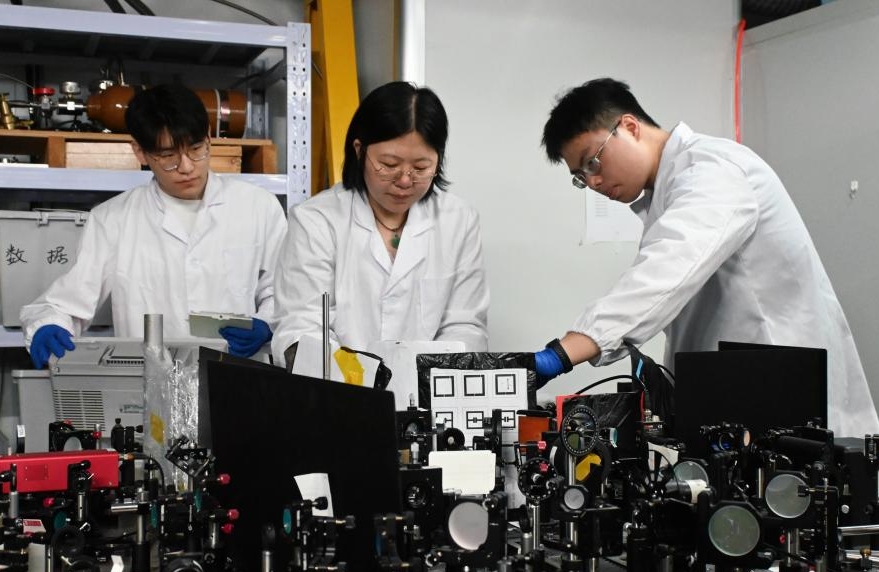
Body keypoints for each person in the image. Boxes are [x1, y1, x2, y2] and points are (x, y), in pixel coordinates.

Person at [532, 77, 878, 437]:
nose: (593, 183)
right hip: (740, 393)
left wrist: (561, 354)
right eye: (581, 177)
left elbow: (666, 272)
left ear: (630, 127)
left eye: (592, 162)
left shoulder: (713, 169)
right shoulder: (668, 191)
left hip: (783, 393)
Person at [21, 84, 287, 367]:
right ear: (140, 152)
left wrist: (266, 323)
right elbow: (65, 303)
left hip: (238, 375)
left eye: (196, 149)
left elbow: (284, 294)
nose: (186, 167)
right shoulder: (112, 220)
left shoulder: (258, 207)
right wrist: (48, 325)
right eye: (169, 156)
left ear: (209, 136)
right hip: (150, 381)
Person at [272, 81, 489, 369]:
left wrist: (429, 377)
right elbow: (303, 325)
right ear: (359, 151)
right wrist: (351, 377)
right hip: (339, 387)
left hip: (427, 389)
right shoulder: (317, 220)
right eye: (389, 165)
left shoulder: (458, 220)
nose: (404, 180)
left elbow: (464, 325)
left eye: (421, 167)